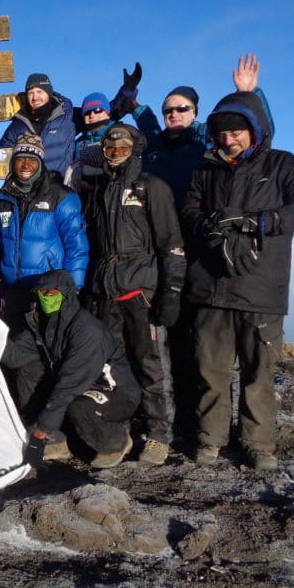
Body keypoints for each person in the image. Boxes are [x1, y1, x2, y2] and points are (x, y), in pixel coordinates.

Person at [181, 90, 294, 469]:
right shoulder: (205, 169)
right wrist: (208, 224)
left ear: (255, 129)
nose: (230, 139)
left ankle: (258, 445)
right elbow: (189, 210)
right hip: (211, 288)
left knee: (258, 373)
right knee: (210, 371)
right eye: (223, 133)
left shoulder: (284, 165)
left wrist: (263, 222)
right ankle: (210, 439)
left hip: (261, 290)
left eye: (237, 131)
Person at [81, 123, 186, 465]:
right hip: (105, 293)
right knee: (111, 368)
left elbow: (171, 244)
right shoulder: (98, 190)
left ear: (135, 150)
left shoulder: (151, 187)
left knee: (151, 366)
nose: (116, 154)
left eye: (123, 148)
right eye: (110, 150)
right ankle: (117, 436)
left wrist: (170, 291)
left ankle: (158, 435)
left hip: (141, 290)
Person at [4, 271, 141, 470]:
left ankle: (116, 441)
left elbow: (70, 383)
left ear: (66, 294)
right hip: (78, 387)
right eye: (41, 292)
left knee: (78, 406)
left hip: (114, 390)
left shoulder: (86, 329)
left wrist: (39, 436)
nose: (45, 297)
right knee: (29, 368)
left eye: (51, 292)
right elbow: (15, 357)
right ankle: (55, 440)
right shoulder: (40, 322)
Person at [0, 133, 89, 322]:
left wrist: (72, 287)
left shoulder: (61, 197)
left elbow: (76, 246)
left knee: (50, 347)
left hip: (49, 290)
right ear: (12, 163)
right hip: (13, 291)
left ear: (40, 163)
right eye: (20, 159)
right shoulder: (2, 199)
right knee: (19, 349)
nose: (25, 165)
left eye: (32, 159)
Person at [132, 55, 274, 212]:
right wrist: (134, 105)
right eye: (168, 110)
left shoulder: (209, 136)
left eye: (182, 108)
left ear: (194, 113)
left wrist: (248, 95)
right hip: (157, 225)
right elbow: (148, 124)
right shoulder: (154, 144)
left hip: (196, 223)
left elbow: (259, 133)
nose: (174, 114)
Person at [0, 73, 75, 181]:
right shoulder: (18, 124)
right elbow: (0, 155)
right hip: (29, 188)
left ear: (48, 93)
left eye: (39, 92)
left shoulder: (66, 114)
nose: (35, 97)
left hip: (59, 186)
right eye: (30, 93)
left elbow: (94, 118)